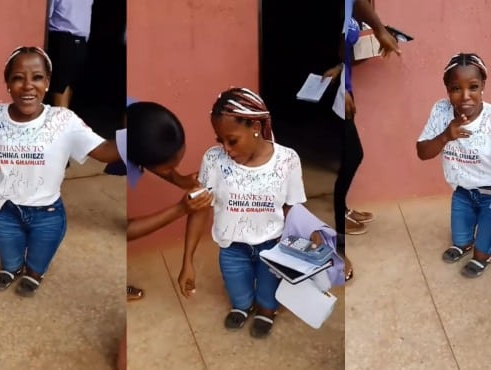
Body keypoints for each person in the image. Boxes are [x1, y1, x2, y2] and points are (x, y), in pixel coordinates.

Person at [0, 46, 122, 295]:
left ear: (47, 82)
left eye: (37, 77)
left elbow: (105, 151)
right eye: (18, 78)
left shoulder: (64, 120)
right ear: (7, 83)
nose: (28, 86)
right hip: (7, 211)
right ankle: (13, 269)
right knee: (9, 258)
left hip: (47, 214)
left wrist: (139, 136)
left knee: (38, 261)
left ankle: (35, 274)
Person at [177, 87, 307, 338]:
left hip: (272, 247)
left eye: (232, 140)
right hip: (232, 248)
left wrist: (302, 249)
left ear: (256, 126)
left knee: (269, 300)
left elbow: (293, 208)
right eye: (220, 140)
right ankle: (243, 307)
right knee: (238, 294)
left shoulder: (287, 160)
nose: (226, 148)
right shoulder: (214, 161)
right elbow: (199, 209)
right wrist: (187, 262)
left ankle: (266, 311)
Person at [416, 52, 491, 278]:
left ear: (483, 86)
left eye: (473, 87)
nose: (465, 96)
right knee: (460, 239)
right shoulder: (441, 111)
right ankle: (464, 245)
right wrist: (445, 136)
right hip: (462, 191)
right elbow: (422, 152)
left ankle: (483, 255)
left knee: (482, 251)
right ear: (446, 89)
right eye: (455, 88)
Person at [118, 100, 213, 370]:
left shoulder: (140, 118)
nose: (173, 169)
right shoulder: (122, 156)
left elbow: (158, 161)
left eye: (177, 161)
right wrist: (180, 208)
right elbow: (125, 229)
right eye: (167, 168)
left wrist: (180, 179)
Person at [322, 0, 401, 242]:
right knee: (351, 155)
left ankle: (342, 208)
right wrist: (380, 30)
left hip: (344, 87)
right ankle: (339, 224)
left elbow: (346, 52)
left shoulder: (357, 11)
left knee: (350, 154)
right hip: (333, 91)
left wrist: (376, 42)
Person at [47, 0, 94, 108]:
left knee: (58, 89)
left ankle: (60, 123)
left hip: (62, 40)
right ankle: (64, 119)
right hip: (80, 42)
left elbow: (46, 14)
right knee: (68, 85)